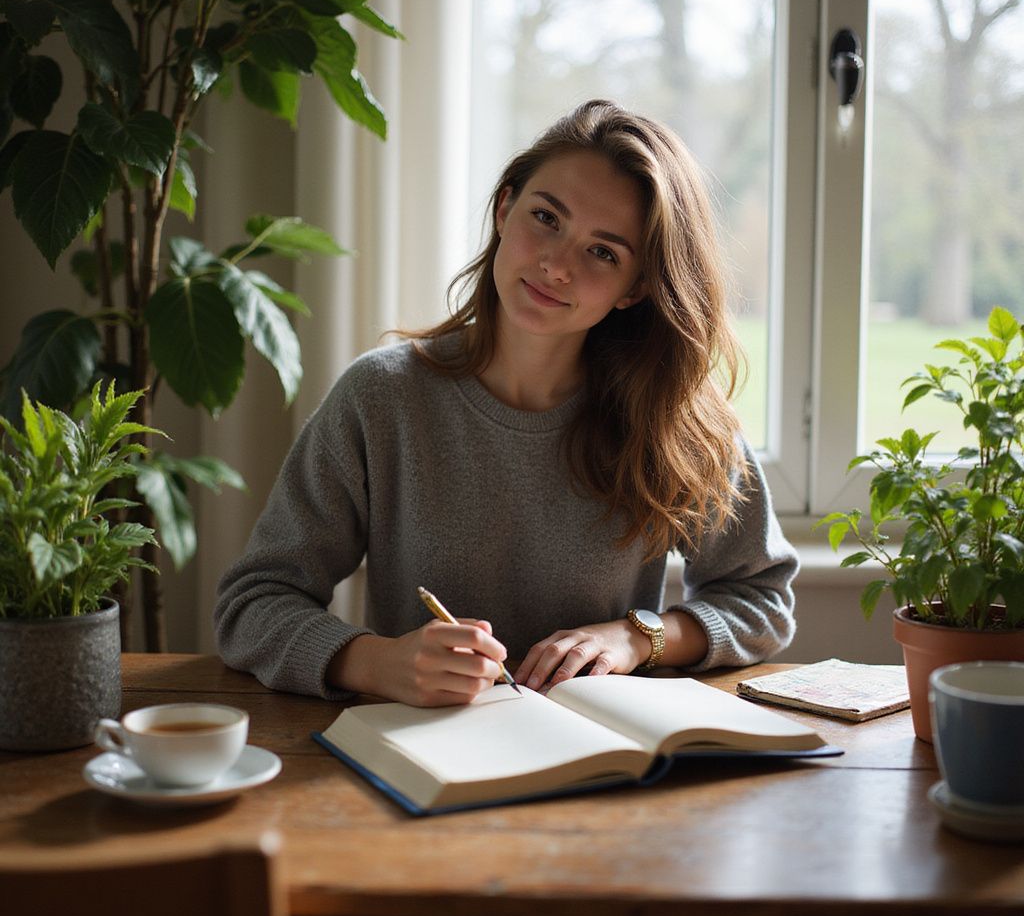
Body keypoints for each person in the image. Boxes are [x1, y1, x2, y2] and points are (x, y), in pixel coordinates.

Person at [214, 99, 798, 706]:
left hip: (603, 766)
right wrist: (378, 662)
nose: (556, 265)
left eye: (603, 252)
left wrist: (636, 638)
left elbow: (761, 598)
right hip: (419, 762)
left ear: (637, 287)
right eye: (546, 217)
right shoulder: (380, 399)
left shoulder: (675, 418)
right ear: (504, 207)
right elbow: (253, 605)